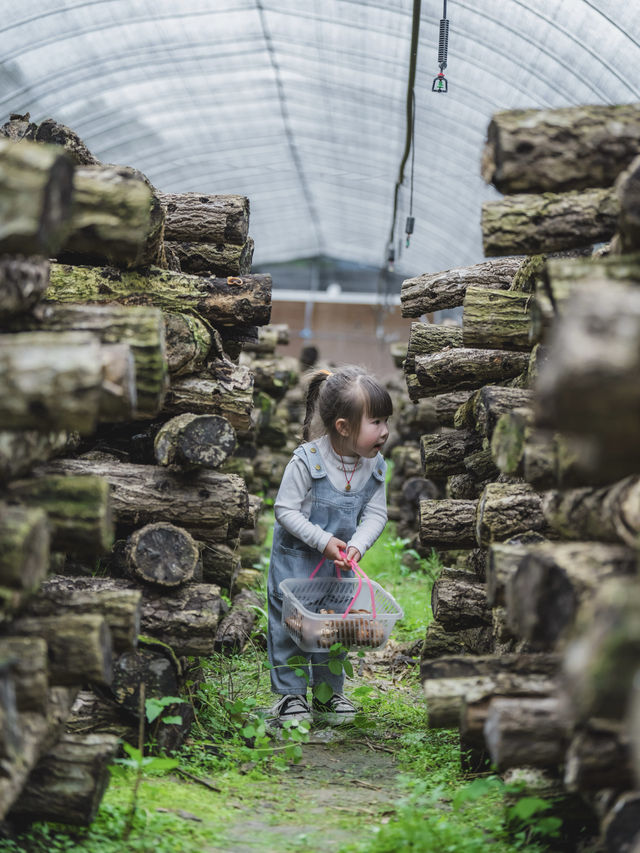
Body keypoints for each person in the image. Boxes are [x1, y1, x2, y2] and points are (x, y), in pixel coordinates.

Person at [267, 365, 393, 726]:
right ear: (343, 427)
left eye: (386, 421)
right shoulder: (307, 461)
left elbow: (375, 514)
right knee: (291, 628)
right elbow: (284, 510)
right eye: (377, 422)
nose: (385, 432)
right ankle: (290, 697)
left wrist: (358, 544)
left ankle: (327, 695)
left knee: (333, 629)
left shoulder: (374, 466)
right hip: (297, 565)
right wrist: (323, 541)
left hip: (337, 571)